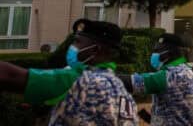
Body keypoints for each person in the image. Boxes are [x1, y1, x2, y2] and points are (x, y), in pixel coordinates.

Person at [0, 19, 138, 125]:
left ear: (95, 50)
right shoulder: (116, 85)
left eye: (78, 42)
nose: (72, 47)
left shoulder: (79, 79)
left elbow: (9, 76)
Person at [120, 33, 193, 125]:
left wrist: (105, 75)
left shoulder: (168, 76)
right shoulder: (191, 74)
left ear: (169, 54)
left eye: (157, 51)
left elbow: (130, 82)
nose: (153, 54)